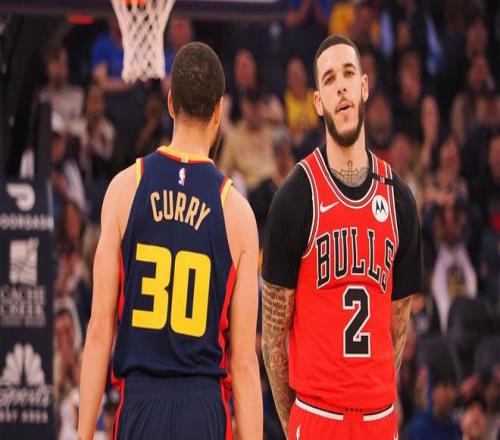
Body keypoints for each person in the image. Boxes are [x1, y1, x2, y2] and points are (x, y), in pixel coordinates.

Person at [78, 42, 263, 440]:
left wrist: (83, 434)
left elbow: (98, 330)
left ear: (170, 103)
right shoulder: (237, 212)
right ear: (218, 112)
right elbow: (245, 362)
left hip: (140, 404)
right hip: (203, 407)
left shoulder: (125, 189)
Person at [262, 34, 422, 439]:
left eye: (349, 74)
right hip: (317, 415)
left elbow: (398, 326)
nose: (341, 87)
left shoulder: (399, 199)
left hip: (379, 417)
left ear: (364, 86)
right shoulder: (295, 197)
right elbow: (272, 340)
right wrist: (295, 425)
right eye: (329, 79)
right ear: (318, 102)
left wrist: (377, 397)